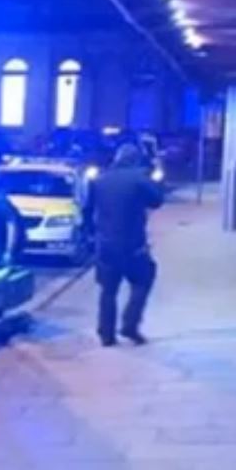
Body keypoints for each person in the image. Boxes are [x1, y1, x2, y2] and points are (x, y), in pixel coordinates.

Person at [84, 143, 164, 346]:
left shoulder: (100, 180)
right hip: (132, 245)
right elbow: (157, 201)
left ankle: (106, 335)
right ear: (136, 160)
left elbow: (88, 210)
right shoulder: (139, 179)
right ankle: (130, 324)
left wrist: (93, 236)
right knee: (144, 279)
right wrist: (156, 174)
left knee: (108, 290)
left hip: (105, 244)